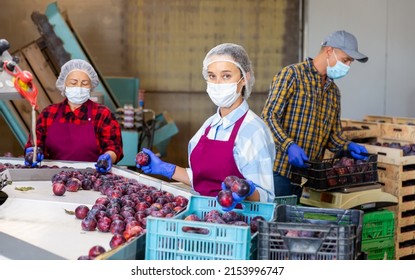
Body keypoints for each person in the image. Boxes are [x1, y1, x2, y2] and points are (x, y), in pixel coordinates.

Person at [136, 43, 276, 209]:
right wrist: (167, 169)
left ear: (244, 79)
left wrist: (247, 191)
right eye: (211, 76)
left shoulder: (254, 131)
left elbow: (265, 197)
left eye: (226, 76)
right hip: (203, 217)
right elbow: (201, 178)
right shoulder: (208, 126)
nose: (217, 83)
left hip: (237, 222)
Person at [261, 30, 369, 199]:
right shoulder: (292, 75)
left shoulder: (333, 92)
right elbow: (269, 117)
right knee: (274, 222)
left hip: (308, 178)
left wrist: (347, 147)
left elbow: (333, 138)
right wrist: (289, 146)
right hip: (279, 173)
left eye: (350, 62)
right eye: (345, 60)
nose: (347, 66)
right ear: (329, 51)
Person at [24, 59, 124, 173]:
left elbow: (114, 147)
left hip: (92, 178)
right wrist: (33, 153)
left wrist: (109, 157)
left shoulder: (102, 113)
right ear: (64, 84)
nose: (79, 87)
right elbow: (34, 144)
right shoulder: (49, 113)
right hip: (51, 178)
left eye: (84, 83)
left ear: (91, 86)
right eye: (73, 83)